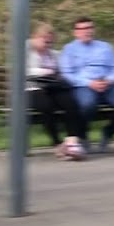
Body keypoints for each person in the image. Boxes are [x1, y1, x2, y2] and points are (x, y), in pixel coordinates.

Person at [59, 17, 114, 151]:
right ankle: (82, 135)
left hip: (107, 83)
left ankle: (108, 132)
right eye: (82, 29)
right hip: (84, 85)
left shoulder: (105, 47)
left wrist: (109, 80)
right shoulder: (69, 49)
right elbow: (67, 74)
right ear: (75, 32)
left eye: (89, 28)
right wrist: (89, 83)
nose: (86, 31)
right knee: (87, 105)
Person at [27, 22, 86, 156]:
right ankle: (56, 142)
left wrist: (59, 74)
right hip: (32, 88)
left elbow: (63, 70)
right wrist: (45, 71)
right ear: (34, 38)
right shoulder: (26, 51)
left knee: (70, 102)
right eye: (45, 41)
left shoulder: (54, 54)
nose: (48, 45)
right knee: (46, 106)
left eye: (50, 42)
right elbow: (24, 71)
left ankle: (72, 141)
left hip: (52, 86)